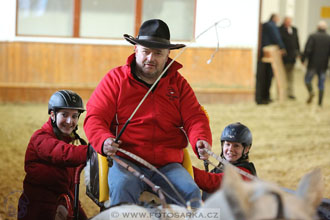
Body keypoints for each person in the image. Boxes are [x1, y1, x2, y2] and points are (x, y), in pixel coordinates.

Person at [83, 19, 212, 208]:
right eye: (146, 51)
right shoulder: (115, 80)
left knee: (190, 192)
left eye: (158, 53)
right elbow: (95, 118)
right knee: (122, 188)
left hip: (168, 164)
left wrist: (200, 139)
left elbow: (195, 117)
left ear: (168, 54)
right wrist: (104, 140)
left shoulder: (179, 84)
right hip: (126, 160)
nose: (151, 58)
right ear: (136, 50)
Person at [17, 90, 88, 220]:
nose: (69, 121)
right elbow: (63, 153)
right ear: (52, 115)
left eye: (74, 116)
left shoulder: (69, 141)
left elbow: (69, 186)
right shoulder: (40, 138)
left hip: (61, 202)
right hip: (37, 206)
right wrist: (91, 151)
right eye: (64, 115)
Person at [193, 122, 256, 199]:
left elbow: (213, 183)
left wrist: (187, 169)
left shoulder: (245, 173)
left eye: (236, 146)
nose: (230, 149)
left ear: (246, 149)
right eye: (227, 144)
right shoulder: (218, 169)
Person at [256, 13, 286, 104]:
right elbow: (276, 37)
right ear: (274, 18)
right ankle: (264, 98)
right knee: (267, 77)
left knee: (263, 78)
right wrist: (282, 47)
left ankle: (263, 97)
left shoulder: (266, 25)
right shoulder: (271, 26)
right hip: (268, 55)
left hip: (263, 54)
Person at [301, 20, 330, 106]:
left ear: (317, 27)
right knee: (321, 84)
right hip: (323, 65)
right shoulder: (328, 38)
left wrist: (303, 59)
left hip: (312, 64)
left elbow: (308, 49)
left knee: (307, 80)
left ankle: (311, 92)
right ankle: (320, 103)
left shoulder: (312, 36)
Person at [279, 16, 301, 100]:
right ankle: (282, 93)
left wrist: (298, 53)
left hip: (292, 58)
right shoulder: (280, 30)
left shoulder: (294, 29)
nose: (289, 23)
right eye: (287, 21)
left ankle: (290, 93)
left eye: (290, 21)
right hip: (284, 57)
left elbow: (297, 42)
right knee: (283, 76)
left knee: (291, 76)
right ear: (284, 22)